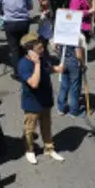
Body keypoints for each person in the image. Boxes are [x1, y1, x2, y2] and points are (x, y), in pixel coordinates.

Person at [18, 33, 65, 164]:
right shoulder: (24, 64)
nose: (43, 49)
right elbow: (34, 83)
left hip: (45, 100)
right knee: (30, 128)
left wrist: (57, 69)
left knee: (46, 126)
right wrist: (37, 64)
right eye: (39, 48)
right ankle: (29, 150)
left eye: (42, 47)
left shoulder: (42, 58)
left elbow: (47, 69)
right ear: (30, 50)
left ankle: (49, 148)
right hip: (32, 103)